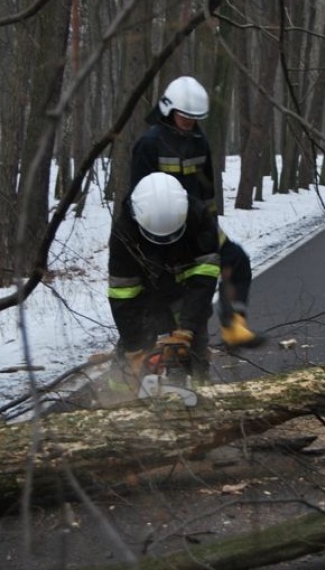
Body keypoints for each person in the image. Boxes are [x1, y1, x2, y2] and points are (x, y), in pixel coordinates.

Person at [130, 75, 263, 348]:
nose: (190, 122)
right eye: (184, 116)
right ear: (169, 110)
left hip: (198, 222)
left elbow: (207, 191)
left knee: (236, 260)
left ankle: (234, 326)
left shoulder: (199, 141)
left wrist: (211, 226)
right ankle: (163, 350)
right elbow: (137, 197)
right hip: (162, 228)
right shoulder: (149, 144)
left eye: (194, 117)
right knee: (177, 292)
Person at [108, 172, 221, 386]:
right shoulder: (124, 232)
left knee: (194, 352)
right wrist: (134, 348)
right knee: (127, 365)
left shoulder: (200, 218)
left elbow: (204, 278)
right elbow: (122, 294)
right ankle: (116, 402)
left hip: (187, 292)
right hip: (146, 295)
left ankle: (199, 396)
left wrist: (186, 328)